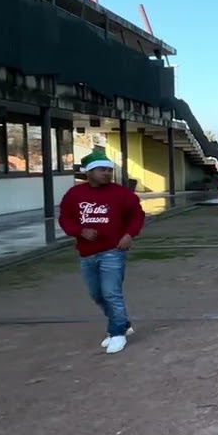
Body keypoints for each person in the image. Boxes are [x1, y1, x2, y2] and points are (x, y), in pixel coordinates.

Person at [58, 151, 146, 354]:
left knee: (111, 293)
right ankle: (122, 322)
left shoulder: (121, 193)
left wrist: (129, 235)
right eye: (102, 170)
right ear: (89, 172)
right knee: (97, 295)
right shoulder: (75, 194)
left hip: (113, 251)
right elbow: (65, 218)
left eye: (109, 170)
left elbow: (137, 215)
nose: (107, 173)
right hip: (86, 253)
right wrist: (79, 231)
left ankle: (117, 332)